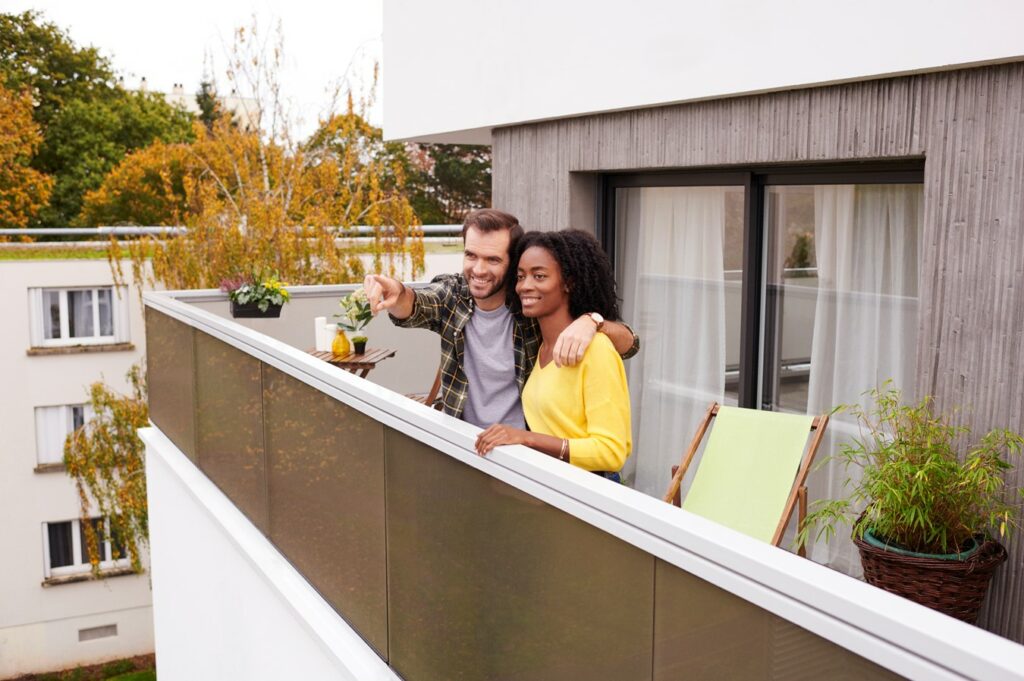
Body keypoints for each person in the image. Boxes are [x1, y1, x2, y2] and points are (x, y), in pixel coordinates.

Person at [363, 209, 638, 428]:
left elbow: (630, 344)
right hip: (464, 444)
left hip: (524, 452)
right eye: (471, 255)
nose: (479, 269)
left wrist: (592, 321)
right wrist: (396, 292)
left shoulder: (531, 303)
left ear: (512, 262)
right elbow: (415, 303)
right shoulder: (453, 295)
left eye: (493, 260)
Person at [474, 229, 631, 478]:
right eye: (521, 276)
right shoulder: (540, 347)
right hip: (550, 485)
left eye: (539, 276)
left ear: (569, 282)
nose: (525, 286)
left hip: (588, 489)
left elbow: (611, 452)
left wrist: (526, 439)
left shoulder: (596, 349)